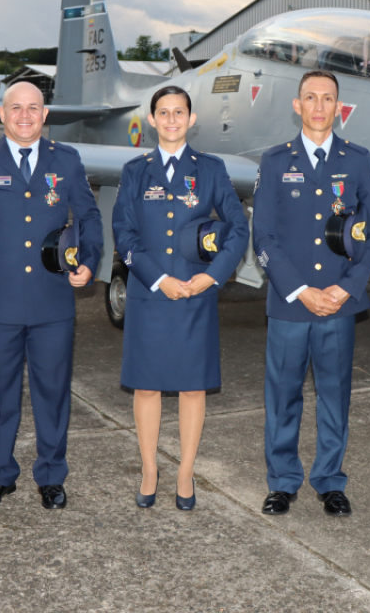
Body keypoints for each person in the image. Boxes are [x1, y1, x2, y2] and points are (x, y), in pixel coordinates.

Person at [0, 80, 102, 510]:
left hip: (52, 301)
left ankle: (51, 476)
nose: (24, 116)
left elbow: (89, 218)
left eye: (33, 108)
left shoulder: (66, 161)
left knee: (52, 393)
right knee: (0, 393)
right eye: (16, 108)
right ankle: (0, 474)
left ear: (45, 115)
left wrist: (87, 262)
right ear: (1, 114)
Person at [252, 70, 370, 517]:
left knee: (334, 394)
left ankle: (330, 480)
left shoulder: (357, 160)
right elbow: (264, 236)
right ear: (297, 105)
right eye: (310, 97)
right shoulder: (275, 162)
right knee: (283, 395)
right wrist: (300, 289)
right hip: (291, 304)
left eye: (327, 99)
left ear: (338, 107)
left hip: (336, 304)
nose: (318, 106)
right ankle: (283, 481)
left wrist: (346, 290)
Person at [112, 86, 249, 510]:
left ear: (192, 119)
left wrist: (212, 278)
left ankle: (186, 471)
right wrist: (157, 280)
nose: (171, 120)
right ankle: (150, 469)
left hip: (195, 295)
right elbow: (125, 236)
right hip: (150, 297)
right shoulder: (135, 171)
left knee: (193, 389)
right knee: (147, 387)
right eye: (163, 113)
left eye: (179, 112)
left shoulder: (210, 169)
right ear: (151, 119)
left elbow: (239, 228)